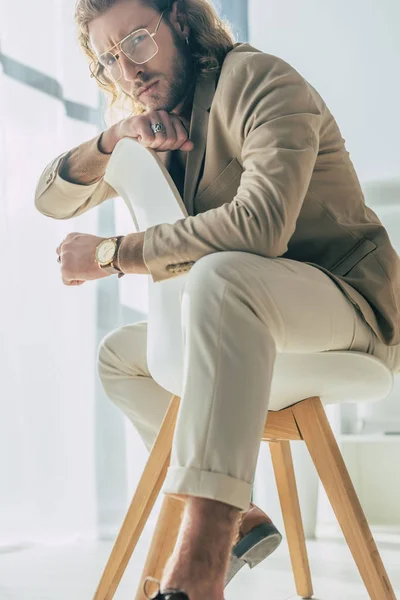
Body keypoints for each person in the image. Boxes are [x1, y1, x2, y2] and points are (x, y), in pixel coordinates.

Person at [34, 0, 400, 599]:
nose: (129, 70)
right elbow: (50, 198)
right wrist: (113, 137)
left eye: (138, 41)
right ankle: (241, 517)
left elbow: (259, 228)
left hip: (350, 311)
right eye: (108, 58)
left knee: (220, 277)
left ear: (180, 20)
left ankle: (202, 556)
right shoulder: (155, 128)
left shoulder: (260, 81)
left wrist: (113, 253)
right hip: (246, 318)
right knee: (122, 356)